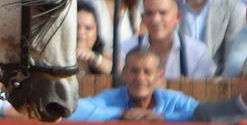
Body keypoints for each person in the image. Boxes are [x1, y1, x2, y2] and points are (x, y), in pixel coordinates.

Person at [70, 45, 198, 120]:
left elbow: (203, 114)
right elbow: (72, 111)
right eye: (134, 71)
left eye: (147, 72)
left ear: (159, 76)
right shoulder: (111, 99)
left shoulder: (174, 100)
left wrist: (162, 118)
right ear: (124, 73)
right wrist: (121, 114)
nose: (140, 78)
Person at [117, 0, 216, 78]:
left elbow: (202, 94)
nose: (155, 20)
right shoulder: (124, 50)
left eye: (163, 13)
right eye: (149, 13)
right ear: (143, 19)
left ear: (178, 17)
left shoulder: (198, 53)